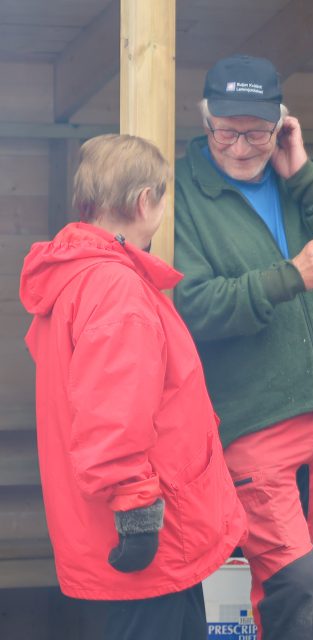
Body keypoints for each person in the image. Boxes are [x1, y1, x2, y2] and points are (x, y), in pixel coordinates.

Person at [172, 54, 313, 639]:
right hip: (253, 414)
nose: (241, 147)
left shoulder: (300, 184)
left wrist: (308, 175)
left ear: (282, 125)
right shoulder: (182, 193)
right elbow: (193, 306)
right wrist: (291, 275)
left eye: (258, 133)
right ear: (205, 117)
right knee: (292, 584)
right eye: (227, 131)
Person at [20, 134, 246, 639]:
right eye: (163, 198)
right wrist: (138, 514)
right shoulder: (116, 288)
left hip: (136, 522)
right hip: (152, 530)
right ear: (145, 200)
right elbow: (112, 415)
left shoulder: (76, 277)